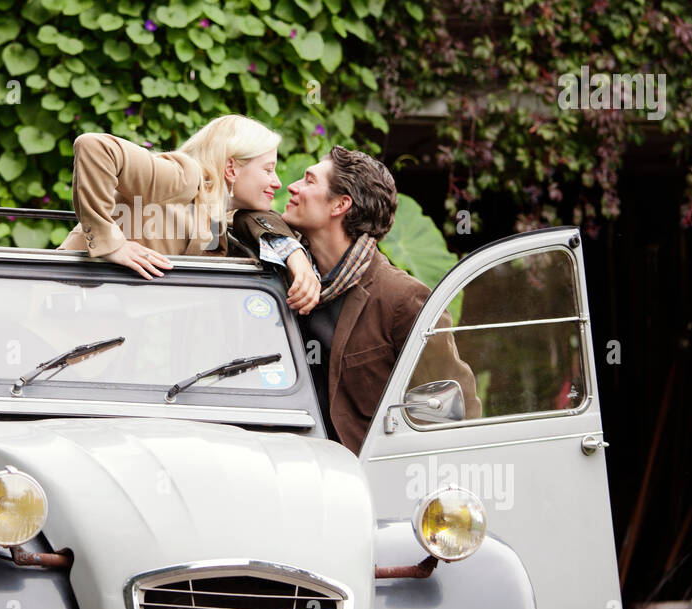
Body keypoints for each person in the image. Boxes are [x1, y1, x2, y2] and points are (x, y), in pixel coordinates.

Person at [234, 146, 481, 455]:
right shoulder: (285, 270)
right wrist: (294, 256)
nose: (291, 187)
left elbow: (453, 410)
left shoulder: (403, 298)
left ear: (340, 204)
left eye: (309, 181)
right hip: (284, 464)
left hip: (365, 477)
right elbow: (247, 215)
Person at [57, 115, 321, 313]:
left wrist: (297, 258)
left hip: (94, 315)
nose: (277, 182)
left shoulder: (218, 213)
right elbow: (94, 147)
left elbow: (263, 220)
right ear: (231, 168)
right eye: (267, 169)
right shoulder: (186, 176)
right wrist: (110, 242)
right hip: (59, 300)